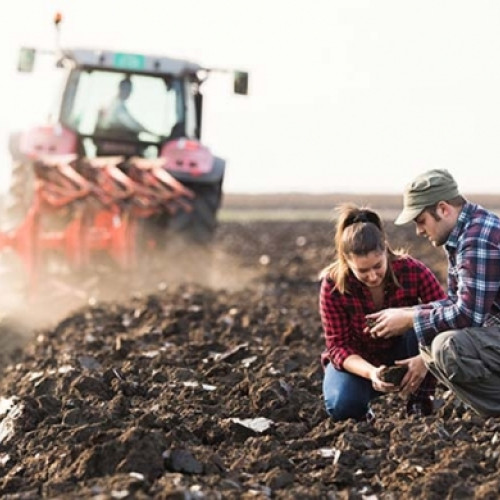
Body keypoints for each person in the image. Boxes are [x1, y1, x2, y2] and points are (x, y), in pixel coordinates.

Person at [367, 169, 500, 417]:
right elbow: (456, 302)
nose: (418, 231)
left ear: (443, 209)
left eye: (420, 220)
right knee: (434, 341)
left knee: (447, 347)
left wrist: (409, 320)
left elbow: (467, 316)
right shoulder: (465, 232)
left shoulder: (477, 239)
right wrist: (409, 314)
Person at [320, 203, 446, 422]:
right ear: (347, 261)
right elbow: (338, 346)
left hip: (406, 352)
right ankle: (363, 414)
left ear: (385, 250)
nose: (372, 276)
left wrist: (425, 359)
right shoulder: (333, 286)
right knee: (342, 405)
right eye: (362, 271)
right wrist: (371, 373)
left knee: (424, 322)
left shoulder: (412, 271)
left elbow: (447, 315)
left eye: (378, 266)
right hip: (360, 361)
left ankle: (419, 403)